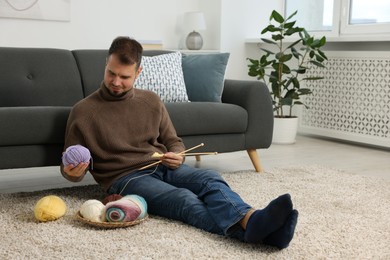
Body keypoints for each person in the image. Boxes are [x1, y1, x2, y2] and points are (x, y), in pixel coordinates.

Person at [60, 36, 298, 249]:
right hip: (126, 178)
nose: (116, 82)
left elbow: (174, 141)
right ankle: (262, 233)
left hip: (163, 165)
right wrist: (73, 172)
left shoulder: (151, 101)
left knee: (210, 178)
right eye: (112, 73)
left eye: (125, 77)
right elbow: (70, 168)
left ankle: (252, 220)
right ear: (106, 65)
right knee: (183, 200)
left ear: (138, 73)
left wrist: (178, 155)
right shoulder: (83, 111)